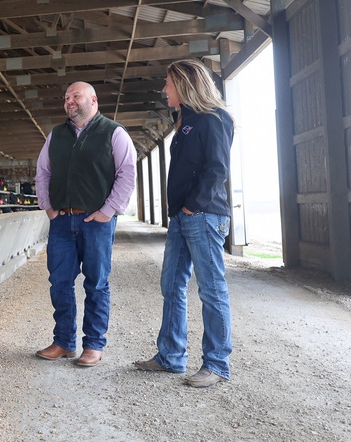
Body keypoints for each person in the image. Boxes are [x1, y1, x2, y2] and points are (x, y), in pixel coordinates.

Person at [134, 59, 235, 388]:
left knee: (211, 289)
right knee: (171, 285)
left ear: (185, 83)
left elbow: (217, 168)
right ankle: (171, 356)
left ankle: (217, 364)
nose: (164, 89)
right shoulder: (186, 121)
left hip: (202, 215)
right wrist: (180, 211)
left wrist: (193, 206)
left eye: (168, 83)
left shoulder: (215, 119)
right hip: (181, 216)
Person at [34, 81, 136, 367]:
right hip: (62, 221)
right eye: (66, 97)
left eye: (75, 96)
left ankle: (93, 344)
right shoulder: (56, 135)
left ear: (93, 99)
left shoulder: (114, 132)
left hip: (96, 222)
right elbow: (42, 173)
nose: (69, 101)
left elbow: (127, 174)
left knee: (97, 283)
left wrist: (109, 210)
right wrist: (49, 208)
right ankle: (64, 342)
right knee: (60, 282)